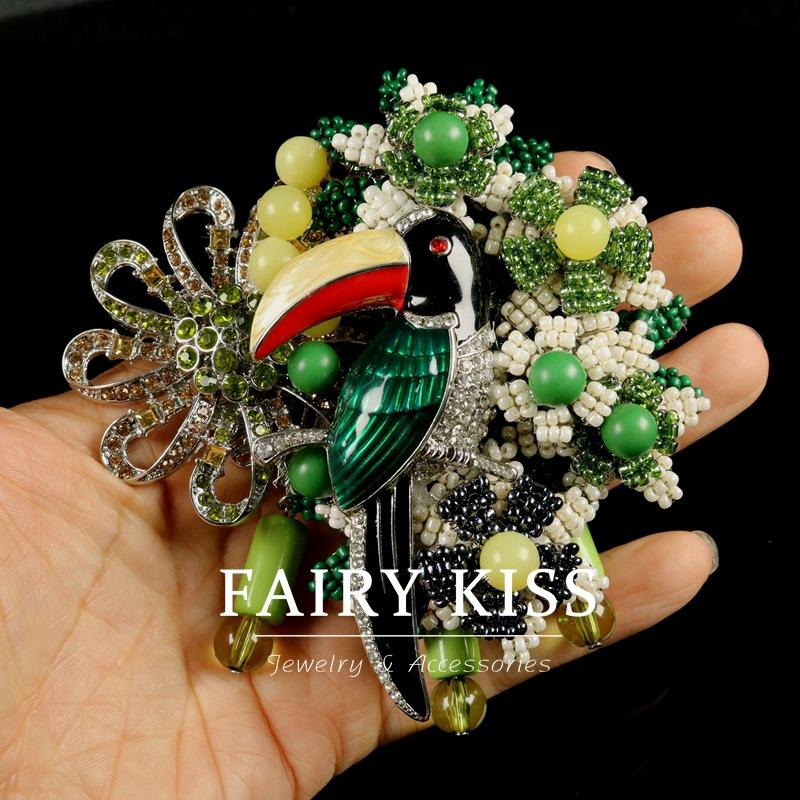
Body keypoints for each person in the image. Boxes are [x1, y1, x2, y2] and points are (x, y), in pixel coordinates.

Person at [0, 152, 767, 798]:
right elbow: (390, 432)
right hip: (378, 476)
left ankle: (408, 649)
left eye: (425, 252)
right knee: (388, 574)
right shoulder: (418, 341)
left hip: (411, 469)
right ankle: (400, 648)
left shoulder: (454, 330)